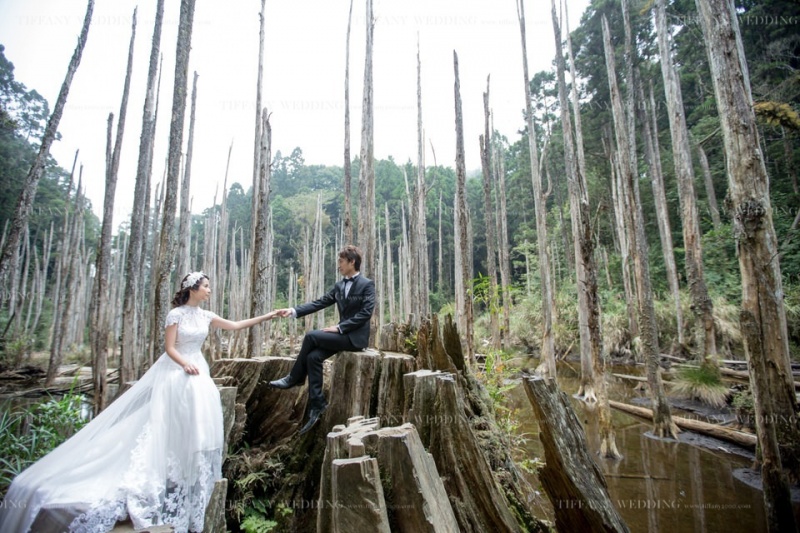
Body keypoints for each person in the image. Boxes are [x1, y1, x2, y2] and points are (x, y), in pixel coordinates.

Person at [0, 272, 277, 533]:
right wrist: (184, 364)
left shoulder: (206, 315)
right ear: (193, 289)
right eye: (205, 286)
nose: (209, 290)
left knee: (198, 421)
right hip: (177, 371)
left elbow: (236, 325)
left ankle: (184, 474)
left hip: (198, 371)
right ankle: (162, 473)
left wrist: (269, 315)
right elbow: (169, 348)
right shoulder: (175, 315)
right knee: (165, 423)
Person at [270, 245, 375, 434]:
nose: (338, 265)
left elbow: (366, 313)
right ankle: (317, 404)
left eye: (341, 261)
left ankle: (294, 378)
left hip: (354, 338)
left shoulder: (367, 284)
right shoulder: (339, 286)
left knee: (311, 336)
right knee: (313, 358)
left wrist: (340, 327)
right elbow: (319, 303)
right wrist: (293, 311)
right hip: (342, 336)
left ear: (352, 262)